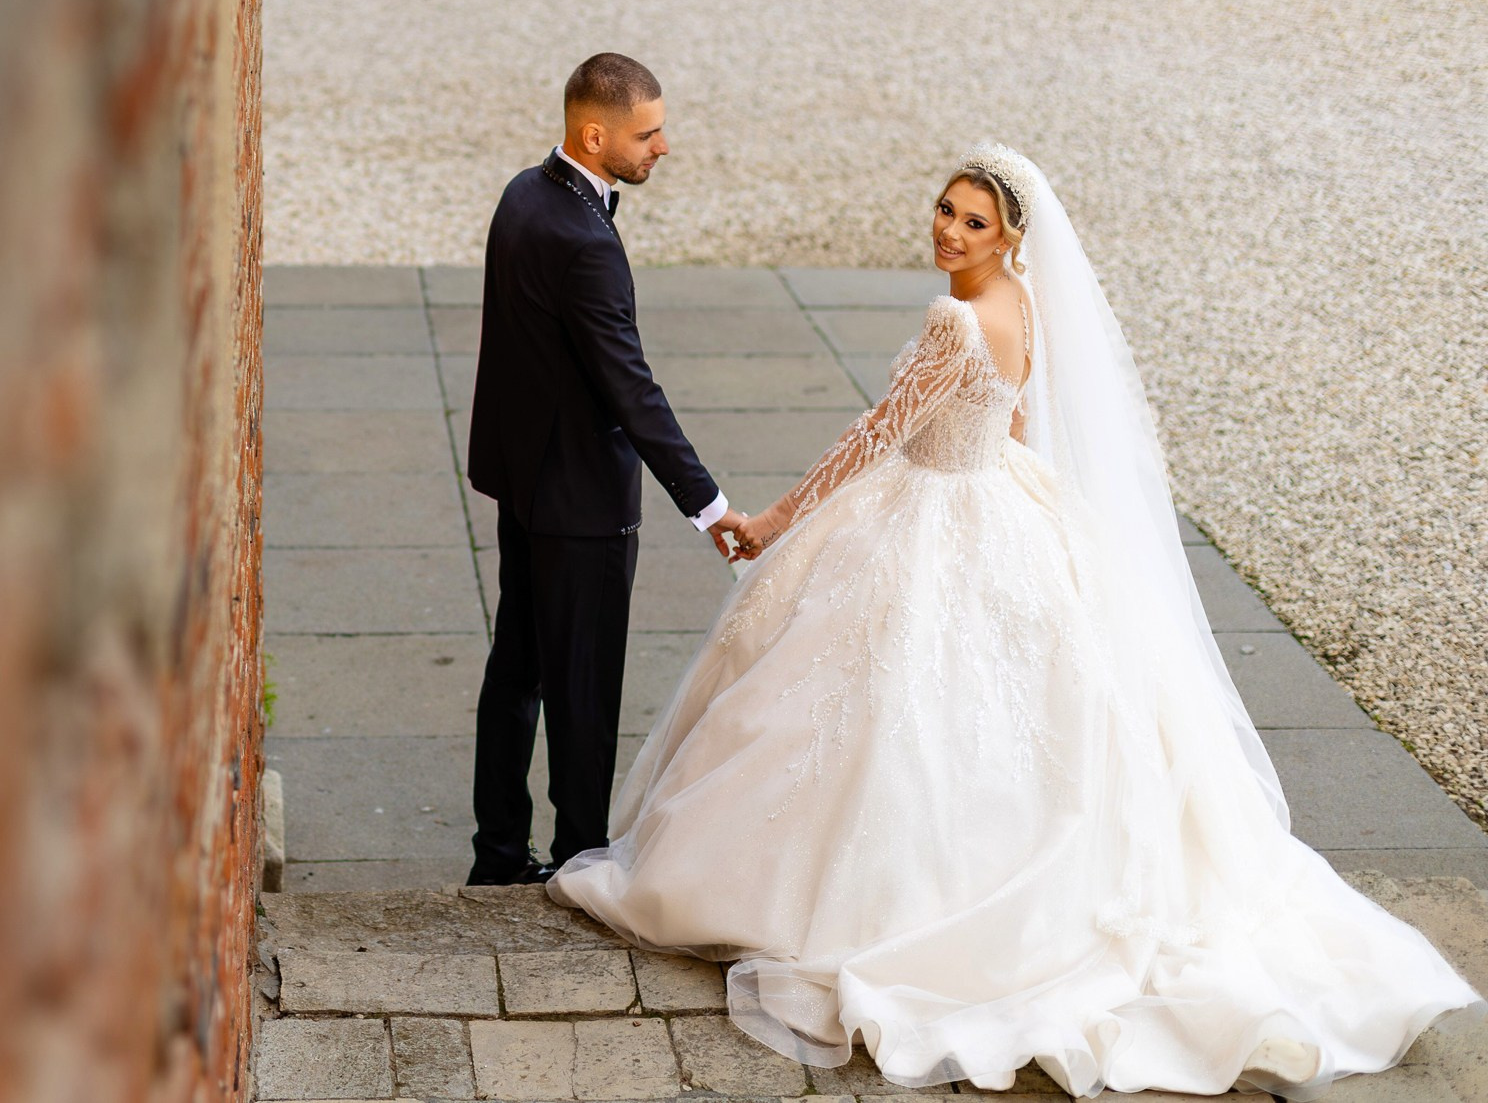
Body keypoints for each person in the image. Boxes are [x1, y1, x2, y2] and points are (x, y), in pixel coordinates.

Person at [545, 143, 1481, 1097]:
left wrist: (778, 521)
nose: (949, 230)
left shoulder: (955, 319)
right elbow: (1018, 414)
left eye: (974, 221)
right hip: (996, 496)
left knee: (875, 705)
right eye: (946, 208)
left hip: (936, 507)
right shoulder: (1025, 301)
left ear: (1013, 234)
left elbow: (878, 434)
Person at [464, 53, 751, 886]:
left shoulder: (526, 192)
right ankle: (579, 859)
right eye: (647, 132)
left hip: (523, 482)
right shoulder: (584, 239)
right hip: (579, 500)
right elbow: (630, 387)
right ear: (595, 136)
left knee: (517, 669)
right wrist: (710, 505)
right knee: (583, 691)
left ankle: (496, 853)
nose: (663, 146)